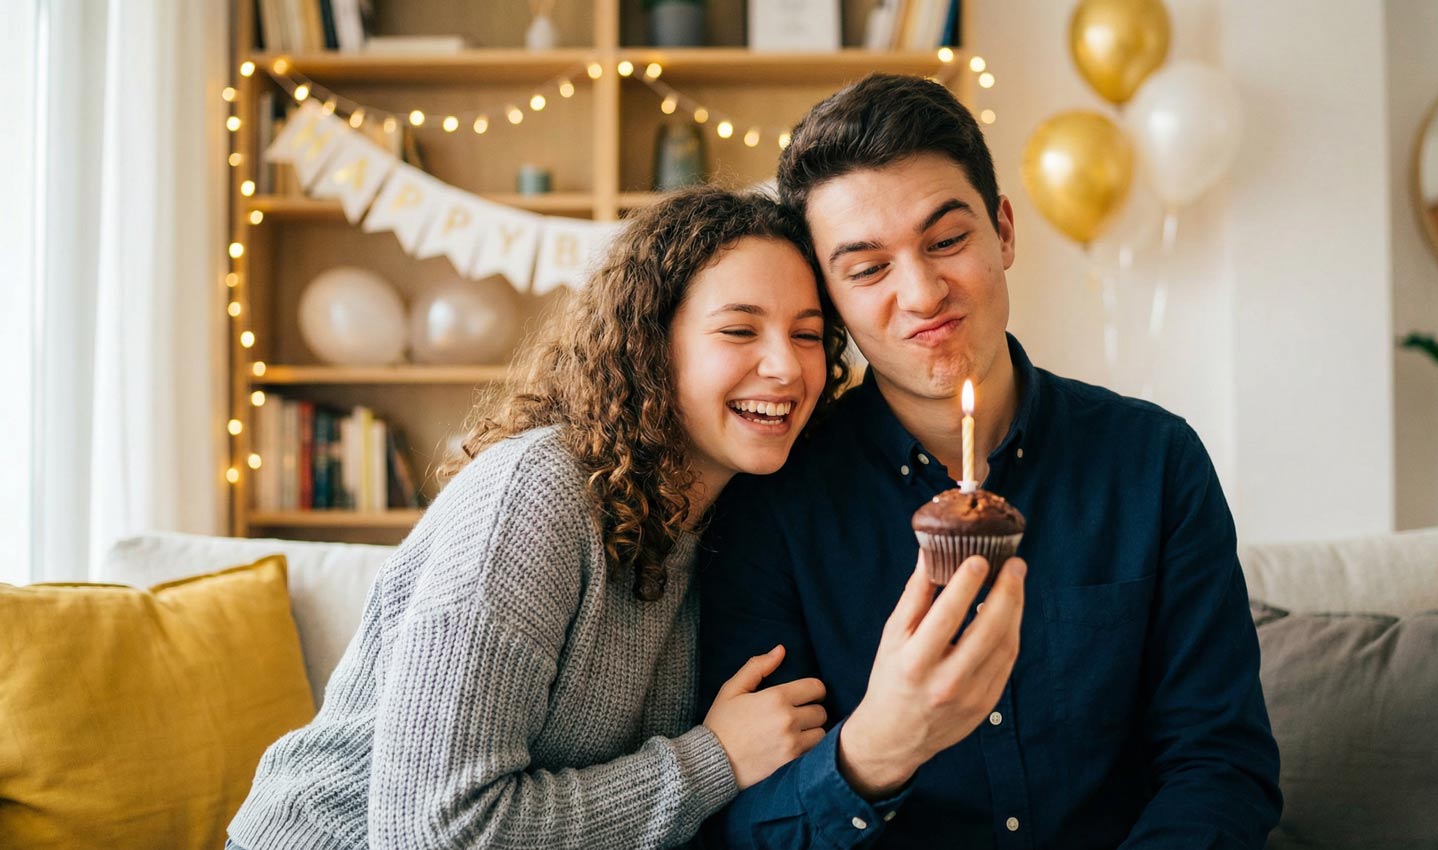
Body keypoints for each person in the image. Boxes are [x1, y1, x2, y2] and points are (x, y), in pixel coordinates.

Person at [697, 74, 1282, 848]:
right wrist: (875, 750)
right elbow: (744, 828)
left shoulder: (1153, 462)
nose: (923, 291)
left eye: (946, 241)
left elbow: (1221, 765)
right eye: (867, 268)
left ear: (1003, 231)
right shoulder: (772, 505)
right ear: (829, 298)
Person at [227, 187, 850, 850]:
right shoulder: (536, 496)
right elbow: (436, 831)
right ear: (651, 346)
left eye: (808, 335)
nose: (786, 366)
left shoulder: (740, 519)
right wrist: (712, 762)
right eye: (739, 329)